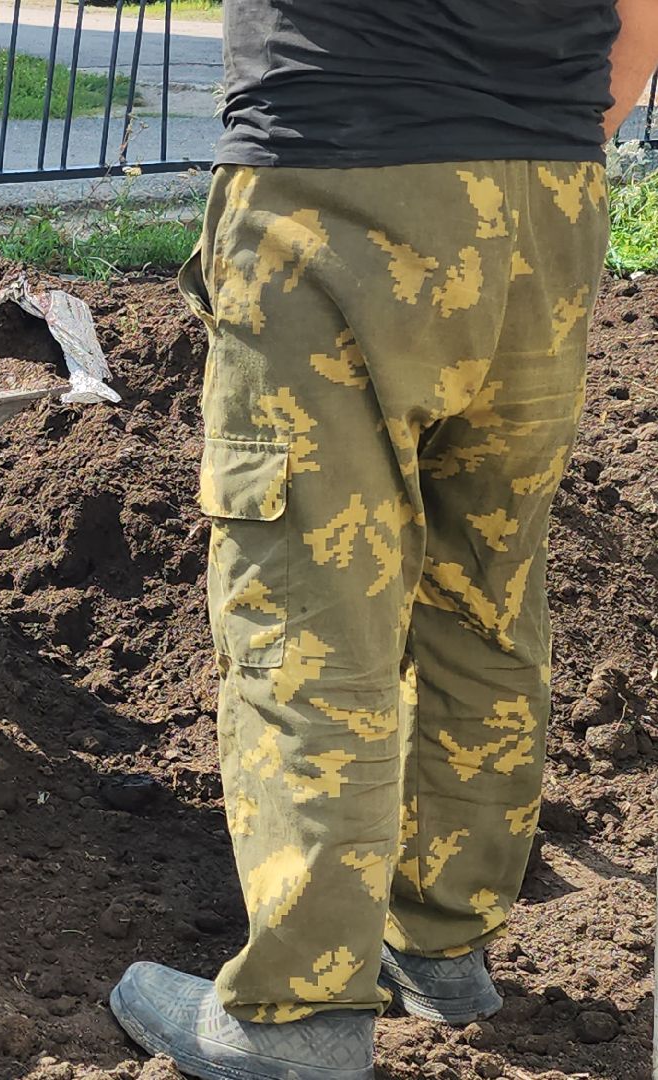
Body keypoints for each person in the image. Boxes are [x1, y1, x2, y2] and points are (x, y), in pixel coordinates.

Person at [107, 3, 658, 1078]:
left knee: (307, 609)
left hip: (337, 183)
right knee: (485, 593)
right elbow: (633, 35)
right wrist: (525, 133)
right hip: (544, 196)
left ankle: (299, 1012)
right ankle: (441, 943)